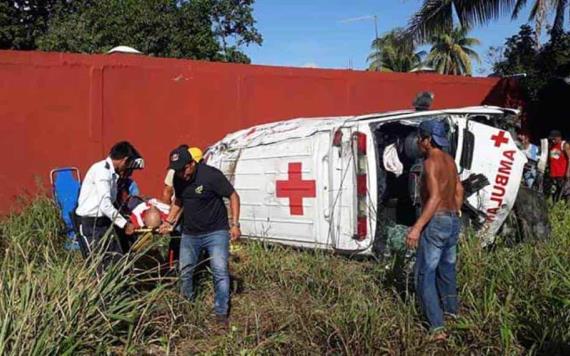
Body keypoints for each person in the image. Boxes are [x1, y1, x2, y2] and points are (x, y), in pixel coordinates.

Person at [159, 146, 240, 325]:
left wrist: (234, 224)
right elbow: (179, 201)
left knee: (219, 270)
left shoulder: (211, 175)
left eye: (183, 169)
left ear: (191, 164)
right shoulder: (179, 180)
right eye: (176, 170)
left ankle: (221, 313)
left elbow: (233, 196)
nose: (181, 174)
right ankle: (187, 308)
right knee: (185, 271)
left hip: (216, 232)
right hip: (190, 233)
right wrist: (169, 222)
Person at [406, 120, 464, 341]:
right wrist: (454, 212)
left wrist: (417, 228)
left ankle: (437, 328)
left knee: (424, 274)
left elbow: (436, 197)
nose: (419, 142)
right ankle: (453, 314)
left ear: (428, 139)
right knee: (447, 270)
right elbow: (459, 189)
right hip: (451, 220)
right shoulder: (450, 161)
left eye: (421, 137)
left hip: (437, 221)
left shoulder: (430, 163)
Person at [76, 141, 140, 268]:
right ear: (124, 160)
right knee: (100, 265)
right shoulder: (102, 171)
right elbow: (105, 205)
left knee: (117, 262)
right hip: (91, 225)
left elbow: (112, 201)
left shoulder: (112, 174)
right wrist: (125, 224)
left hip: (104, 223)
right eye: (128, 166)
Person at [547, 130, 570, 200]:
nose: (553, 140)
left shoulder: (564, 145)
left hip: (562, 175)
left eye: (554, 138)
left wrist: (568, 172)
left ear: (559, 137)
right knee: (555, 194)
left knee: (566, 193)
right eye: (551, 139)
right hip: (553, 175)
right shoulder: (551, 146)